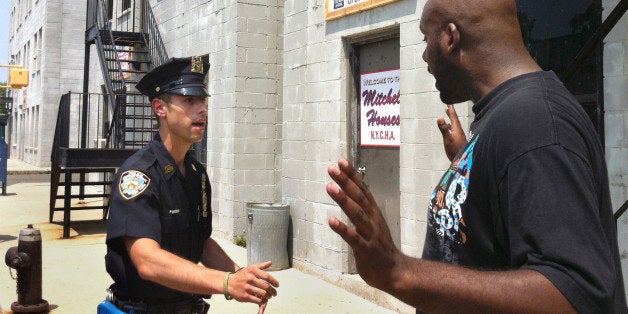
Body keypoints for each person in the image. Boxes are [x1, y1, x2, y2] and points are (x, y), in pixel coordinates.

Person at [325, 0, 627, 313]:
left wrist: (400, 273)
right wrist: (470, 163)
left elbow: (574, 293)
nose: (425, 56)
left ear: (450, 38)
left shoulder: (534, 122)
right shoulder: (505, 116)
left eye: (425, 39)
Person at [105, 56, 279, 314]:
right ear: (160, 108)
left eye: (203, 101)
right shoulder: (139, 175)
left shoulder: (196, 173)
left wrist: (241, 276)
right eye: (189, 101)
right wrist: (226, 283)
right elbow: (147, 260)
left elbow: (201, 242)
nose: (202, 109)